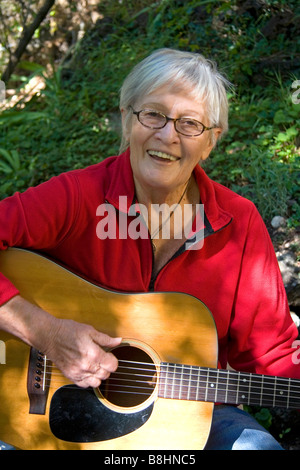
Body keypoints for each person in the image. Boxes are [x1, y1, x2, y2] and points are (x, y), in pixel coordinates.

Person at [0, 48, 298, 450]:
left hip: (194, 417)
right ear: (127, 118)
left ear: (211, 141)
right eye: (153, 114)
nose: (168, 135)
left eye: (190, 124)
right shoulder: (77, 197)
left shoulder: (238, 222)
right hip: (45, 412)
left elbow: (272, 352)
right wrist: (45, 331)